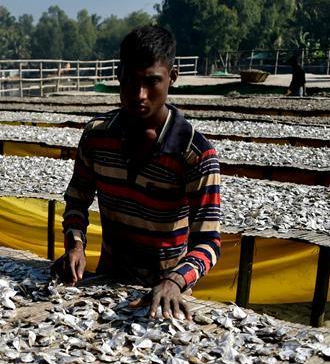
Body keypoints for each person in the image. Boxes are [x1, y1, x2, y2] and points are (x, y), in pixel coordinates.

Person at [52, 25, 221, 320]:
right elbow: (77, 199)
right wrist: (75, 245)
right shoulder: (96, 137)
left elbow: (208, 242)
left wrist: (175, 281)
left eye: (152, 81)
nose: (139, 94)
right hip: (107, 280)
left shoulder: (195, 154)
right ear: (118, 75)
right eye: (130, 80)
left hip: (166, 295)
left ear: (172, 77)